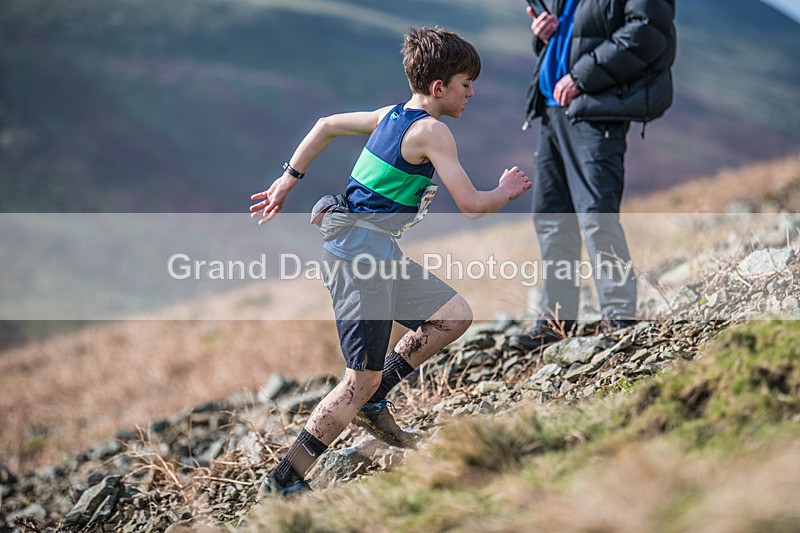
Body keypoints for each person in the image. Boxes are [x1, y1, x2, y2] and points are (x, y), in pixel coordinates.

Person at [249, 26, 531, 497]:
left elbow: (324, 125)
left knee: (452, 315)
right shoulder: (433, 132)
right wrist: (505, 189)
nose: (472, 92)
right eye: (466, 83)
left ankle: (376, 397)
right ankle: (285, 479)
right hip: (359, 258)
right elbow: (472, 205)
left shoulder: (390, 115)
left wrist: (288, 179)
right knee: (359, 379)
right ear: (439, 88)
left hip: (376, 252)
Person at [521, 0, 676, 346]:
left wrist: (580, 77)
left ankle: (620, 319)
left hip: (594, 112)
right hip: (551, 112)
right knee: (552, 219)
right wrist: (543, 37)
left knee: (597, 216)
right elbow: (577, 38)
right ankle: (556, 323)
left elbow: (648, 32)